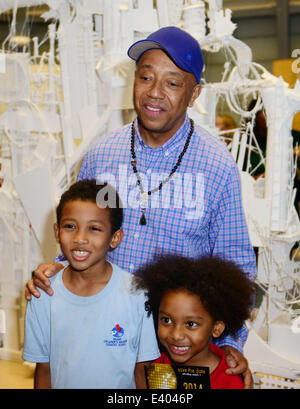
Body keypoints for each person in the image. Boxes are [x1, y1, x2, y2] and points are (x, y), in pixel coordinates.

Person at [25, 26, 256, 388]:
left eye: (172, 83)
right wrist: (54, 271)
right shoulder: (102, 155)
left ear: (194, 93)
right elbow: (83, 231)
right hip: (107, 338)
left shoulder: (216, 165)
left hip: (174, 348)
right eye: (145, 76)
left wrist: (227, 341)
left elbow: (236, 262)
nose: (154, 92)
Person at [23, 179, 160, 389]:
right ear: (57, 231)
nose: (80, 238)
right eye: (70, 226)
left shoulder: (137, 294)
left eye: (94, 228)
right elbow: (43, 370)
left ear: (115, 238)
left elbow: (142, 371)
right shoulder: (42, 294)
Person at [134, 254, 256, 389]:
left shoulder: (231, 382)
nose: (176, 335)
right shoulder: (150, 368)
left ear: (216, 328)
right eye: (166, 320)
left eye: (191, 324)